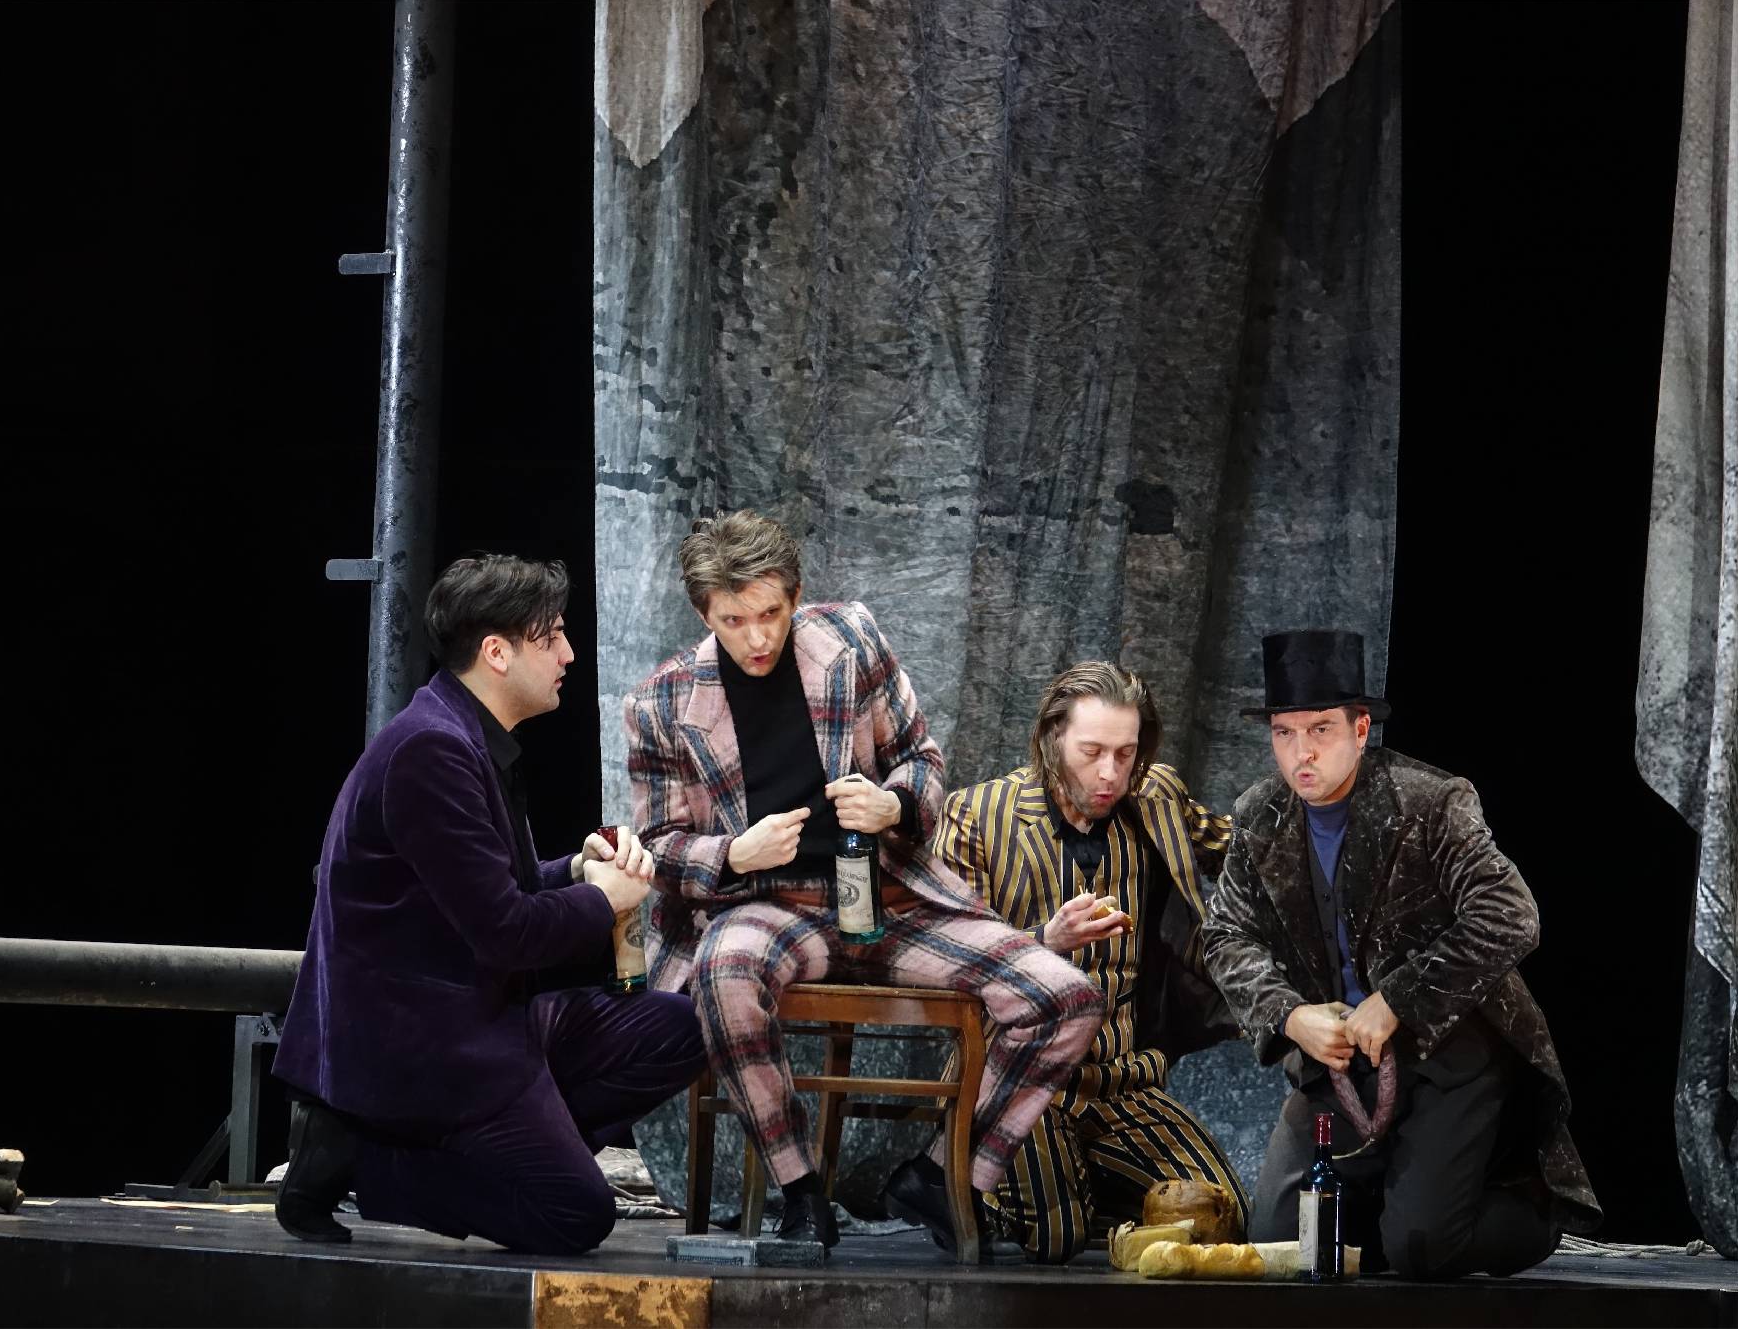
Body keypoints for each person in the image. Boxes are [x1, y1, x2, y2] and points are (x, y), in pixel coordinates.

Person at [623, 510, 1102, 1259]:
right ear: (704, 614)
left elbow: (922, 760)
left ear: (796, 594)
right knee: (726, 969)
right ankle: (799, 1192)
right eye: (734, 621)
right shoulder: (661, 703)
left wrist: (895, 804)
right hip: (767, 905)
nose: (757, 637)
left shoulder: (850, 640)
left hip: (885, 896)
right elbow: (656, 849)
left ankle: (946, 1177)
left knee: (1065, 997)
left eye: (771, 613)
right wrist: (735, 853)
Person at [272, 554, 705, 1255]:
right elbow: (506, 931)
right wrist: (603, 899)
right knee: (575, 1214)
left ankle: (511, 1147)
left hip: (488, 1016)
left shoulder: (462, 733)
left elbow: (491, 888)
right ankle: (362, 1158)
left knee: (679, 1025)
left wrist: (576, 869)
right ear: (497, 652)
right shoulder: (431, 752)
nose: (568, 653)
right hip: (426, 1046)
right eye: (552, 637)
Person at [1202, 629, 1600, 1279]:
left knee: (1420, 1249)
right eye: (1284, 733)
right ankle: (1395, 1206)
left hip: (1447, 1054)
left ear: (1361, 729)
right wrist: (1290, 1015)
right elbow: (1224, 934)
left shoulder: (1429, 802)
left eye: (1321, 729)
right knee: (1286, 1240)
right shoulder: (1260, 815)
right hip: (1339, 1062)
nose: (1302, 752)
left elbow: (1510, 914)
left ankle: (1531, 1211)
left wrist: (1399, 999)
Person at [934, 662, 1249, 1262]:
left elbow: (1245, 847)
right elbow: (946, 953)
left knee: (1222, 1217)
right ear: (1053, 739)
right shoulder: (978, 814)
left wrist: (1321, 802)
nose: (1110, 773)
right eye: (1091, 752)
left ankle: (1080, 1188)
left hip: (1124, 1080)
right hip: (1021, 1077)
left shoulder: (1155, 800)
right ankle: (976, 1186)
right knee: (1055, 1237)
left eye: (1125, 754)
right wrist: (1043, 941)